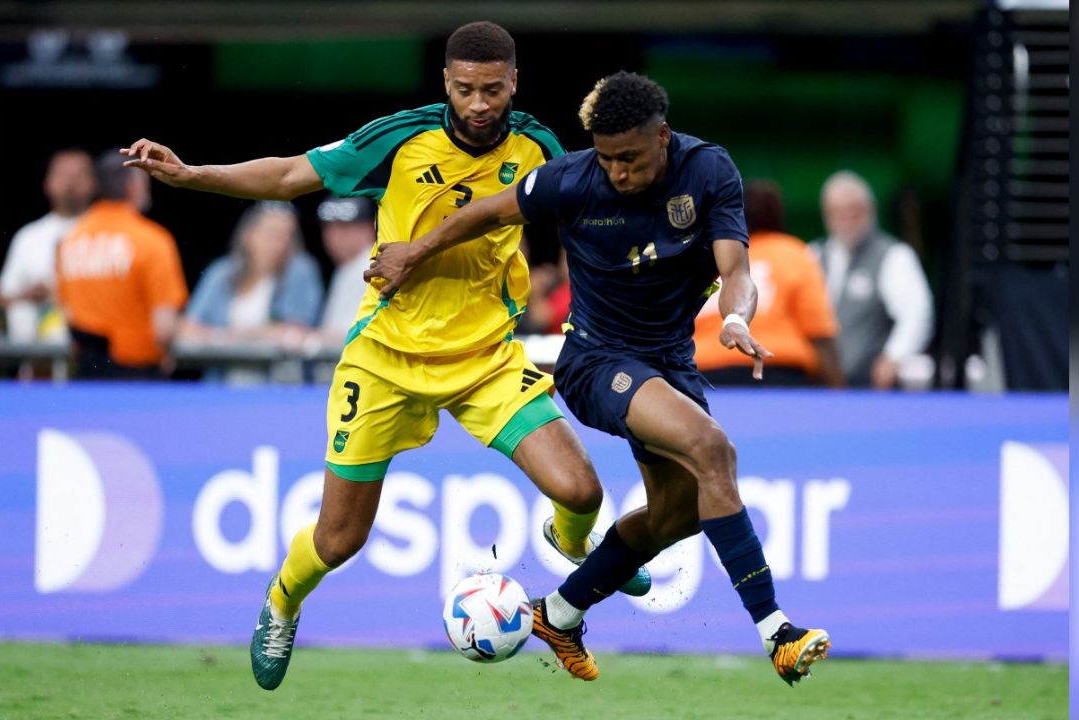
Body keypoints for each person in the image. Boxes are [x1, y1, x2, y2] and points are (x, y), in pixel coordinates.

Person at [121, 21, 649, 691]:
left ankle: (574, 543)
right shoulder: (399, 138)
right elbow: (288, 175)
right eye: (465, 90)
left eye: (492, 89)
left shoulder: (538, 145)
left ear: (513, 82)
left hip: (484, 356)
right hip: (386, 360)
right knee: (338, 541)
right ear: (446, 86)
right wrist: (191, 174)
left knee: (580, 489)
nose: (480, 104)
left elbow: (583, 221)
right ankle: (282, 601)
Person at [367, 71, 830, 685]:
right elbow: (482, 213)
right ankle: (777, 633)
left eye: (632, 159)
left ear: (663, 137)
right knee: (712, 449)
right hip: (596, 361)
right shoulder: (570, 179)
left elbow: (736, 269)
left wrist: (737, 315)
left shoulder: (709, 171)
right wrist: (413, 252)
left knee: (677, 516)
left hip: (669, 363)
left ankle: (558, 613)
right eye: (608, 158)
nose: (618, 172)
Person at [694, 180, 843, 387]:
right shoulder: (792, 253)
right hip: (779, 374)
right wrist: (839, 394)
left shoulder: (708, 257)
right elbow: (820, 334)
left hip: (706, 377)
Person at [56, 149, 188, 379]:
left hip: (85, 374)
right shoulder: (152, 241)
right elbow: (164, 329)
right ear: (133, 185)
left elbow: (66, 312)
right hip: (137, 378)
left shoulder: (70, 240)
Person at [811, 170, 933, 389]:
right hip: (816, 385)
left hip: (867, 386)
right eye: (837, 212)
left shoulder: (894, 255)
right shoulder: (812, 255)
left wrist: (894, 357)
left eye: (853, 211)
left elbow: (916, 314)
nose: (845, 219)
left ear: (870, 210)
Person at [179, 201, 324, 384]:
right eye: (273, 234)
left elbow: (295, 332)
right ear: (249, 235)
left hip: (277, 386)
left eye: (289, 236)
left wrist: (223, 337)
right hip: (220, 384)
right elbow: (187, 330)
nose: (281, 243)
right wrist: (253, 335)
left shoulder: (300, 271)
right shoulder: (223, 271)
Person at [0, 148, 97, 344]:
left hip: (93, 354)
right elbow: (3, 296)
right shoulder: (28, 236)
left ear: (94, 183)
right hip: (39, 362)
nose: (70, 182)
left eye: (78, 175)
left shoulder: (109, 233)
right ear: (47, 182)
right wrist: (27, 295)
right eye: (62, 174)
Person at [313, 196, 375, 344]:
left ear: (368, 229)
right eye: (328, 227)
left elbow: (355, 332)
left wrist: (308, 338)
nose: (334, 236)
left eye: (344, 227)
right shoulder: (348, 267)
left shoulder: (370, 265)